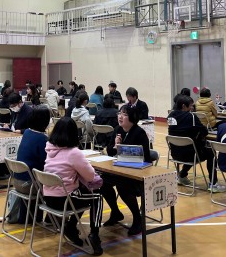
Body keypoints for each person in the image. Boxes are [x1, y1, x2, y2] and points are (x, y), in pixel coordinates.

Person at [44, 117, 103, 255]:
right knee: (97, 197)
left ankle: (71, 227)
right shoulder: (74, 152)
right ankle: (94, 235)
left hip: (48, 198)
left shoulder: (49, 148)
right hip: (64, 200)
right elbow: (90, 176)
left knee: (82, 193)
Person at [101, 104, 151, 236]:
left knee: (123, 187)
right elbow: (110, 151)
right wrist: (116, 146)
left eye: (124, 114)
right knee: (102, 183)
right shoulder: (118, 129)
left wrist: (123, 149)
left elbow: (145, 157)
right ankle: (115, 212)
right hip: (119, 169)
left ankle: (137, 218)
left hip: (137, 172)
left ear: (132, 118)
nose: (120, 116)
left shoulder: (139, 133)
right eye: (119, 113)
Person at [167, 95, 225, 192]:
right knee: (211, 152)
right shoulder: (192, 117)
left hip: (175, 153)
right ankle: (213, 184)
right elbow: (204, 131)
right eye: (190, 105)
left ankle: (182, 175)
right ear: (183, 106)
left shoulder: (170, 116)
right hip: (190, 154)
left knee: (191, 150)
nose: (192, 108)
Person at [13, 106, 50, 195]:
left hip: (17, 181)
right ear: (45, 120)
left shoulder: (27, 132)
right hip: (30, 185)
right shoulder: (42, 139)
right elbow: (46, 163)